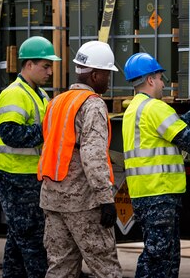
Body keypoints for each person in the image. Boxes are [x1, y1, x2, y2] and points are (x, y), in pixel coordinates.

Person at [122, 52, 190, 278]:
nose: (162, 85)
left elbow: (173, 128)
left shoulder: (134, 109)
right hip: (160, 192)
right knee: (158, 257)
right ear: (149, 80)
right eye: (160, 78)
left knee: (165, 255)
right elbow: (184, 136)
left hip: (146, 193)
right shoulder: (154, 108)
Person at [38, 40, 123, 278]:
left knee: (60, 269)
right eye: (107, 73)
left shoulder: (56, 102)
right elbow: (92, 155)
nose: (109, 79)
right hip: (83, 203)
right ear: (95, 75)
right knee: (106, 270)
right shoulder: (92, 104)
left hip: (52, 199)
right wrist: (106, 199)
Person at [0, 35, 61, 278]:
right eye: (45, 66)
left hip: (32, 177)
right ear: (29, 65)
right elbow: (11, 134)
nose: (50, 72)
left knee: (17, 240)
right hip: (15, 179)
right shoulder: (14, 94)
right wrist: (48, 130)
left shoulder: (41, 95)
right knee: (32, 241)